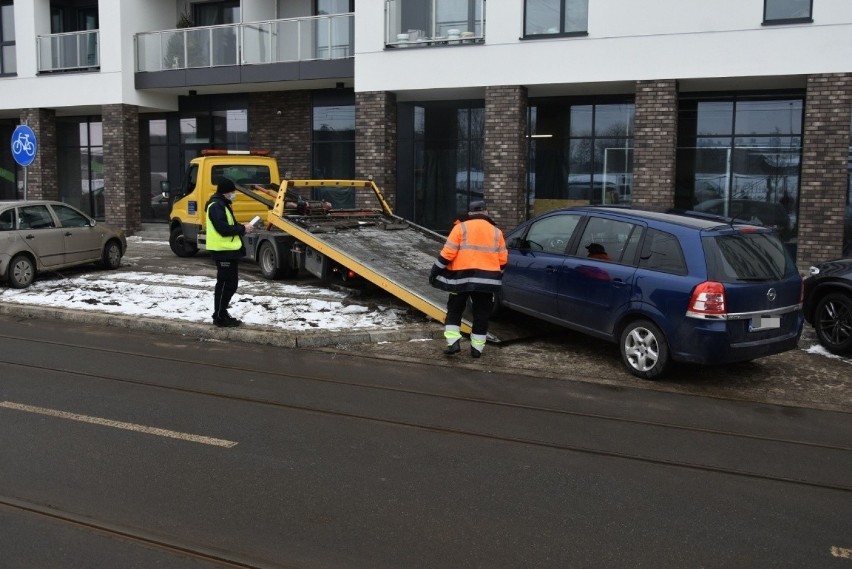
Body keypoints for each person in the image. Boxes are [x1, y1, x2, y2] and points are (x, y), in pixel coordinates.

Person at [429, 200, 507, 359]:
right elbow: (503, 260)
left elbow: (447, 254)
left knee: (454, 310)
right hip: (486, 282)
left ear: (470, 213)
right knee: (481, 314)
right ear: (486, 212)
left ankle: (453, 343)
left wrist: (435, 271)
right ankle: (476, 350)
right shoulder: (496, 232)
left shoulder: (460, 228)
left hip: (460, 280)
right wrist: (496, 277)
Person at [206, 178, 255, 327]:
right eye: (232, 191)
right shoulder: (216, 206)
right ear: (226, 192)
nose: (234, 194)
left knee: (230, 284)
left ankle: (221, 312)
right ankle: (219, 316)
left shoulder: (223, 205)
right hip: (223, 251)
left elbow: (229, 225)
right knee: (226, 284)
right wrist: (242, 229)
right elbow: (223, 229)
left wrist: (243, 227)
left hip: (228, 251)